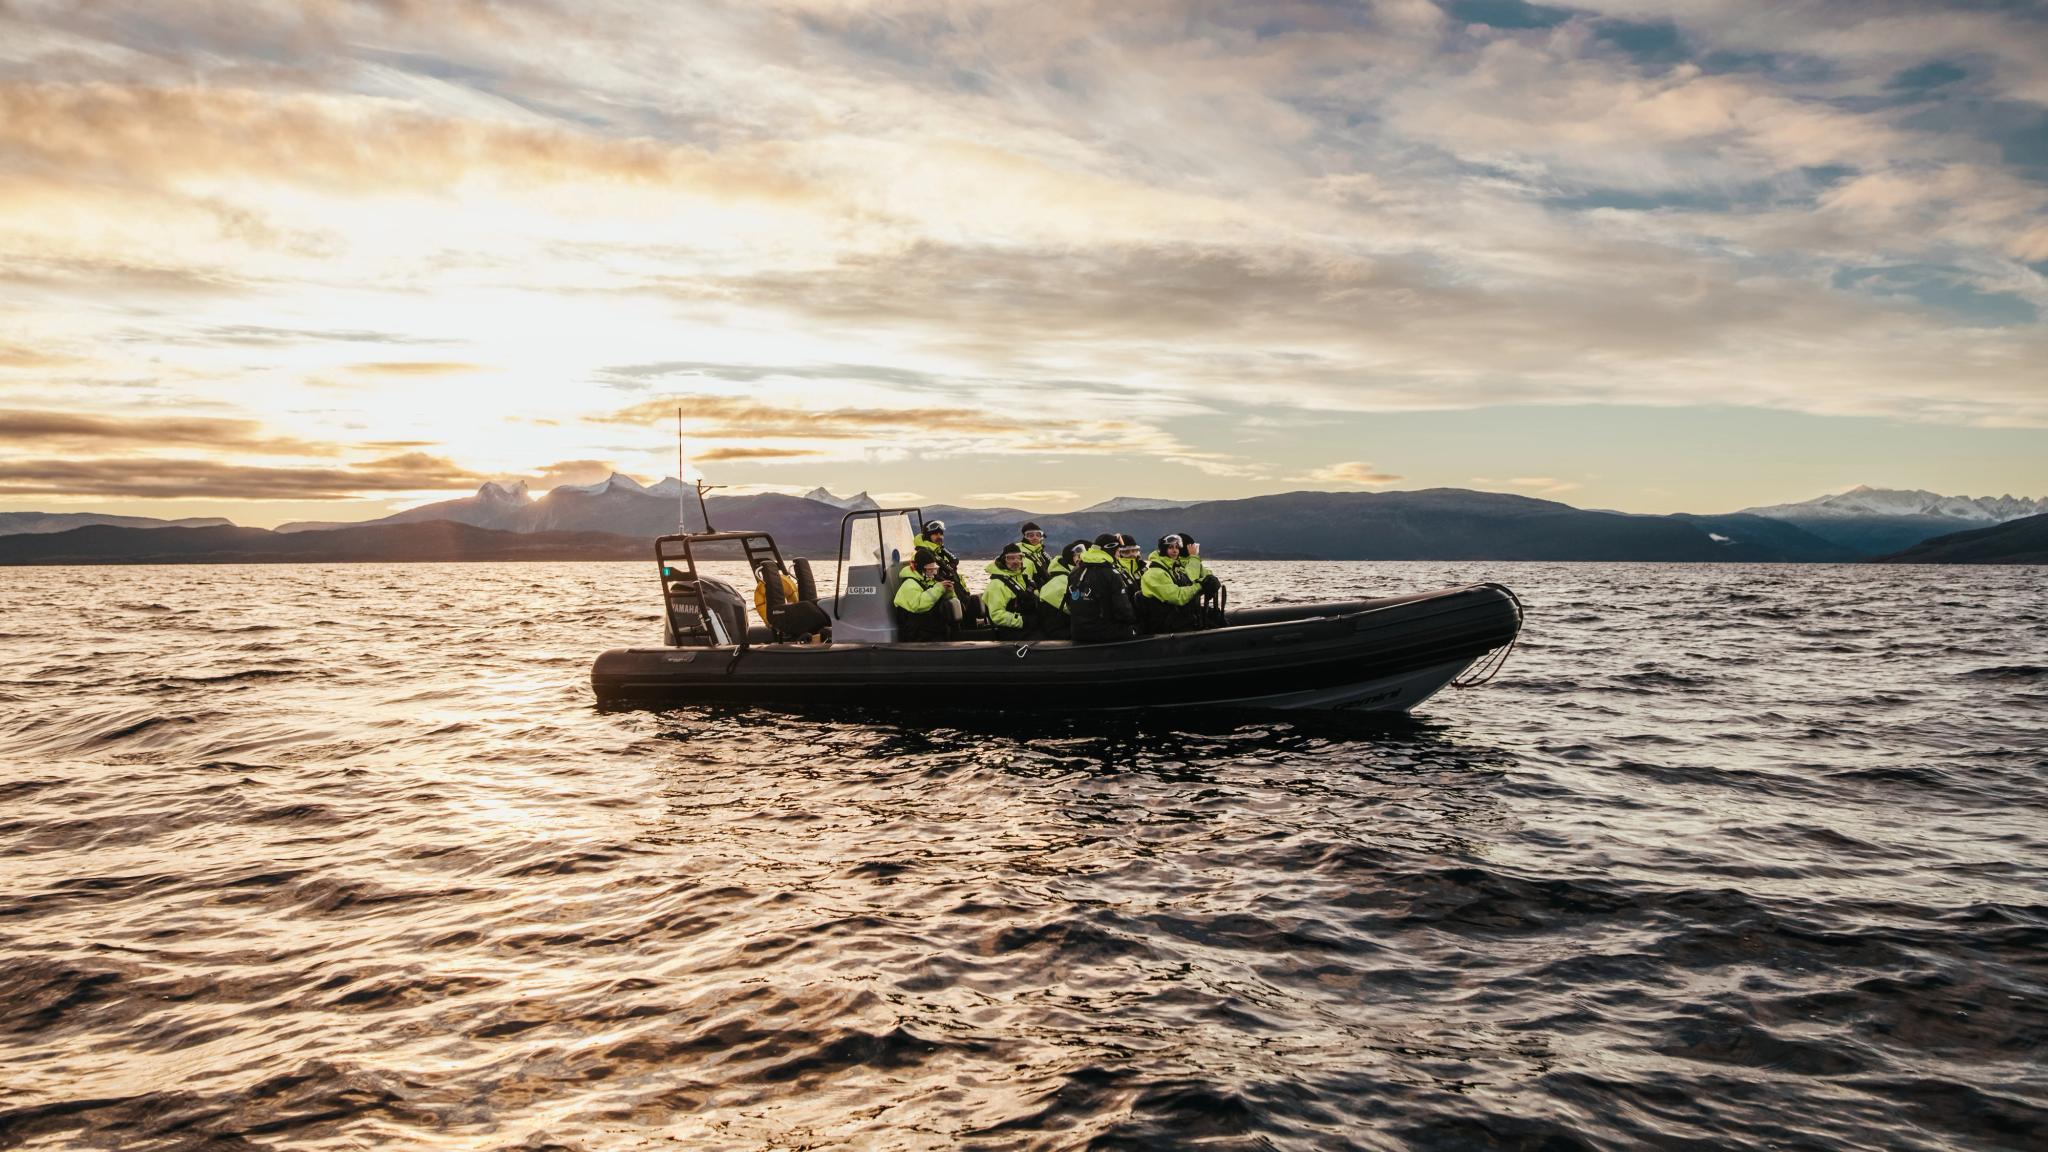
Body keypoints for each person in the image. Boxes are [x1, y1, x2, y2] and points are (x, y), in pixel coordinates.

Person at [1069, 533, 1138, 643]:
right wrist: (1134, 621)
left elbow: (1070, 602)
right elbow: (1122, 609)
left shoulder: (1075, 572)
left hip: (1077, 632)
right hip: (1103, 632)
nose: (1119, 555)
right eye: (1118, 551)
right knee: (1139, 629)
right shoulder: (1112, 574)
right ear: (1111, 550)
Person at [1137, 534, 1203, 633]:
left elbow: (1193, 577)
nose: (1175, 550)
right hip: (1164, 626)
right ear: (1163, 549)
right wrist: (1200, 586)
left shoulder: (1174, 568)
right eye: (1170, 547)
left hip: (1175, 620)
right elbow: (1178, 597)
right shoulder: (1155, 573)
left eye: (1177, 547)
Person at [981, 541, 1042, 640]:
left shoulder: (1024, 580)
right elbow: (997, 615)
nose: (1016, 561)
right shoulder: (997, 585)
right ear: (1003, 560)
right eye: (1011, 558)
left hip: (1029, 627)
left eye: (1019, 557)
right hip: (1011, 632)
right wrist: (1023, 621)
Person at [892, 549, 956, 641]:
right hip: (916, 636)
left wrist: (949, 592)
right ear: (920, 568)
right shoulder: (909, 584)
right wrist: (939, 589)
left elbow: (937, 597)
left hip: (931, 632)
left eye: (934, 569)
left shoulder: (930, 582)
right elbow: (919, 606)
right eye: (929, 570)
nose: (933, 573)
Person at [1036, 540, 1087, 640]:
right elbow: (1076, 609)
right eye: (1079, 557)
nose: (1083, 560)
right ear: (1070, 559)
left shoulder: (1071, 576)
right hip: (1059, 632)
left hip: (1066, 627)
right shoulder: (1060, 581)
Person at [1178, 529, 1225, 626]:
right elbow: (1190, 578)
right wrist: (1194, 557)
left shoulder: (1192, 562)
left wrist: (1207, 580)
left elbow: (1207, 574)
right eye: (1192, 547)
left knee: (1216, 616)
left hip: (1194, 608)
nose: (1195, 550)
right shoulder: (1178, 564)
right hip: (1182, 611)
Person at [1017, 522, 1053, 587]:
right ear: (1025, 537)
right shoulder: (1023, 556)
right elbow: (1024, 582)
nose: (1035, 538)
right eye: (1030, 536)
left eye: (1038, 535)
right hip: (1038, 593)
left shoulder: (1039, 552)